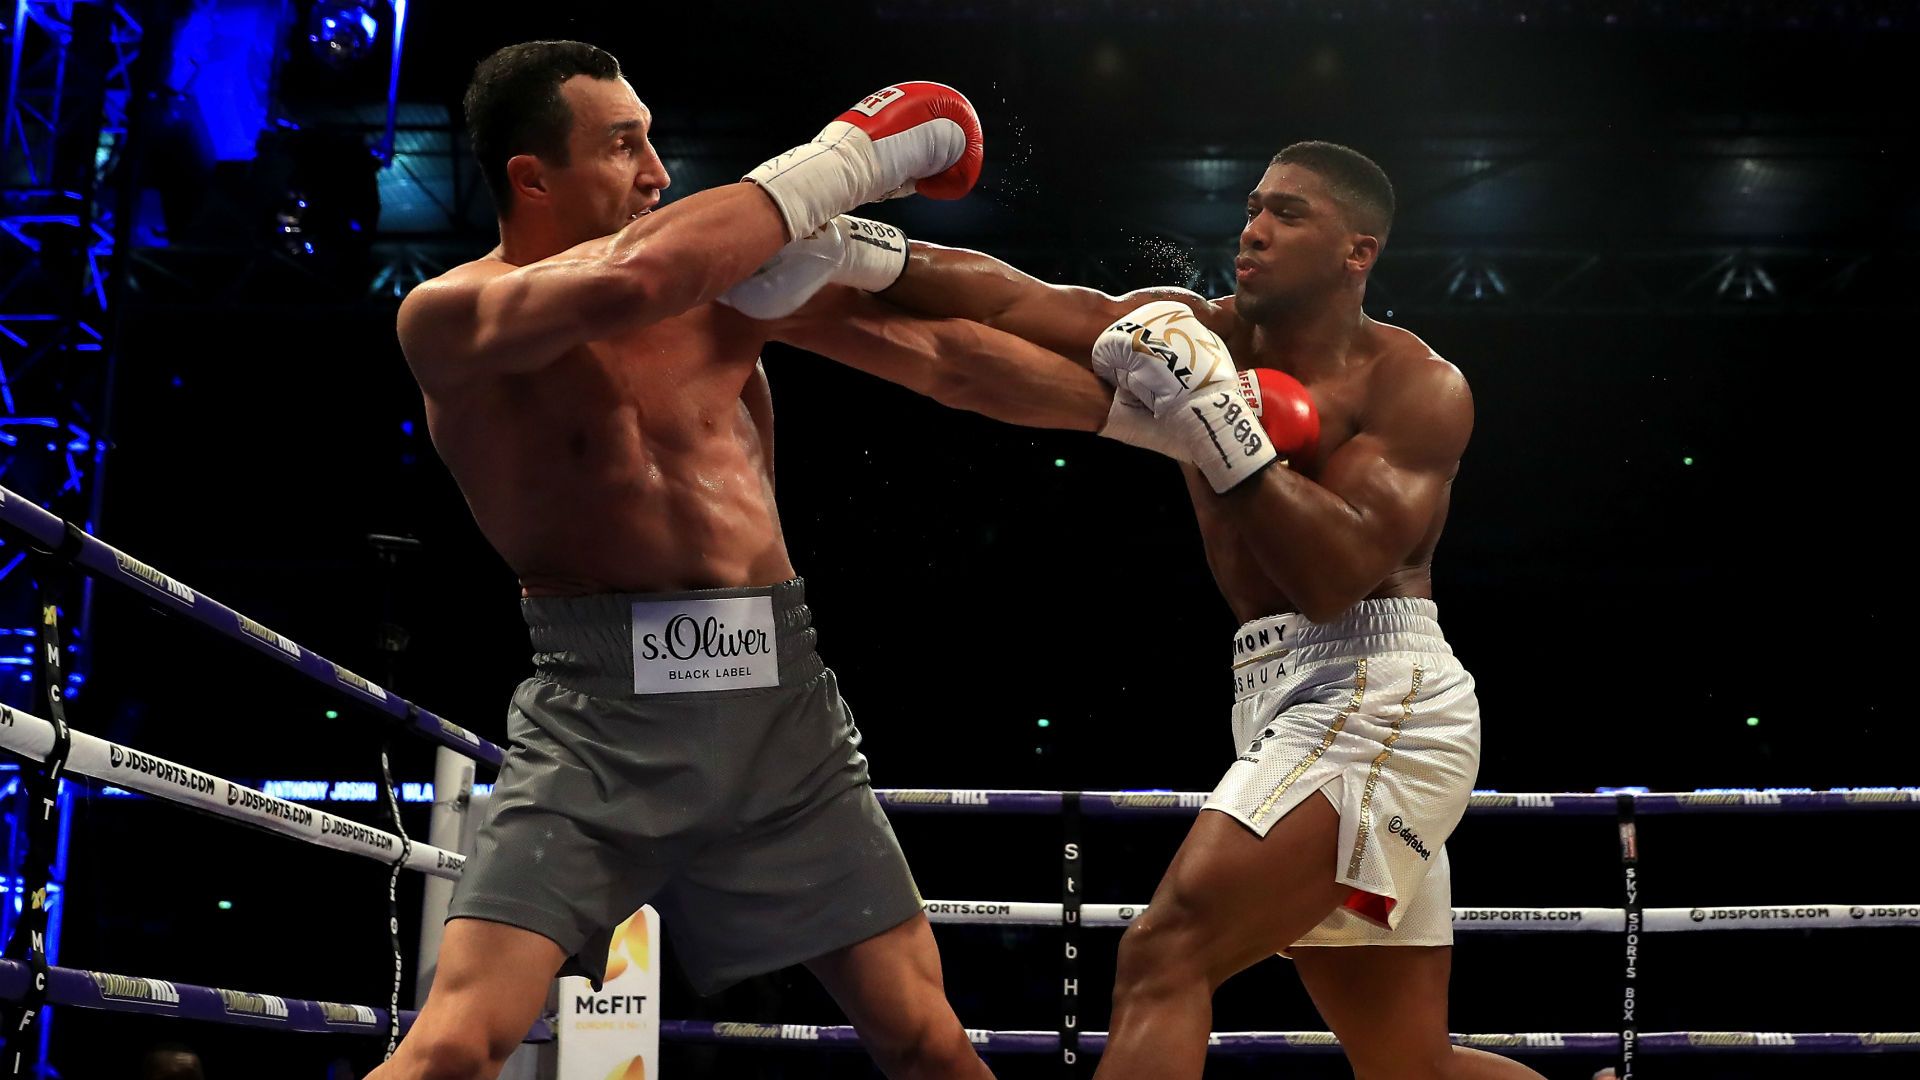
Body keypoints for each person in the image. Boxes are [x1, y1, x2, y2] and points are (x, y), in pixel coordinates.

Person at [378, 40, 1112, 1080]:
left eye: (651, 139)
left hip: (784, 712)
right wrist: (851, 157)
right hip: (602, 724)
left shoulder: (720, 293)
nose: (656, 171)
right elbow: (635, 276)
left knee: (925, 1037)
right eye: (622, 144)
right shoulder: (450, 317)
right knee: (455, 1045)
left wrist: (1149, 419)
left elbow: (947, 360)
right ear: (531, 176)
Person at [745, 139, 1545, 1079]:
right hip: (1279, 691)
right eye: (1253, 206)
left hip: (1383, 695)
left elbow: (1332, 577)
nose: (1252, 229)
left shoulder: (1413, 384)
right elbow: (1014, 306)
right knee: (1411, 1068)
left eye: (1289, 214)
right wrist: (861, 255)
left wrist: (1217, 420)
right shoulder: (1197, 337)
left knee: (1166, 956)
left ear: (1357, 252)